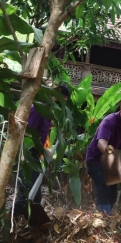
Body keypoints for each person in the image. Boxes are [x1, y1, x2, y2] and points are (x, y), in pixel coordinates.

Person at [14, 85, 71, 215]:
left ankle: (27, 223)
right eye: (59, 101)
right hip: (26, 155)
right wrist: (44, 151)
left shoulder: (47, 115)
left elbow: (41, 134)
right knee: (28, 192)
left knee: (36, 195)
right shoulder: (38, 110)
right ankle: (11, 221)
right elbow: (28, 136)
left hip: (34, 156)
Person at [86, 97, 121, 215]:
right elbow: (101, 143)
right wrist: (113, 154)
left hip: (112, 160)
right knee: (104, 190)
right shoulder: (109, 121)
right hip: (96, 160)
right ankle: (103, 219)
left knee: (113, 194)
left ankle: (100, 215)